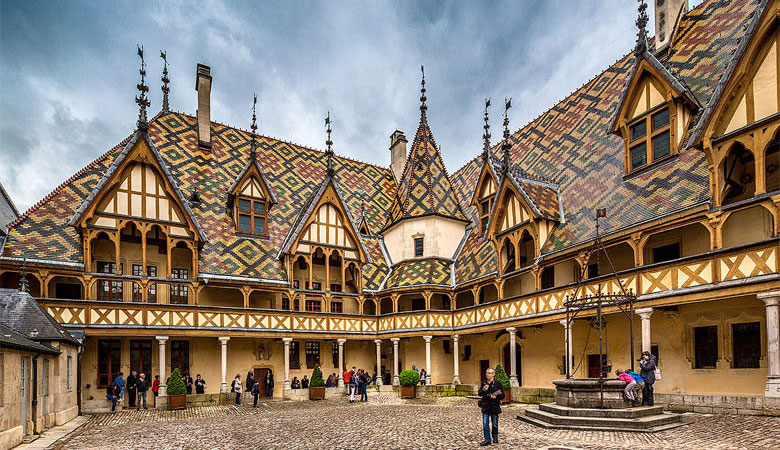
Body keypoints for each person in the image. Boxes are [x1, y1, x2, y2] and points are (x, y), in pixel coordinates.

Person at [478, 367, 505, 446]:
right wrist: (483, 390)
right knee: (485, 424)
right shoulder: (484, 383)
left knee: (495, 424)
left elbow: (503, 395)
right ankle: (487, 439)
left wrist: (496, 397)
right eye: (487, 373)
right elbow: (479, 393)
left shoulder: (497, 383)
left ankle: (495, 437)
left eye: (489, 373)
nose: (487, 374)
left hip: (494, 406)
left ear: (493, 374)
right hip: (485, 406)